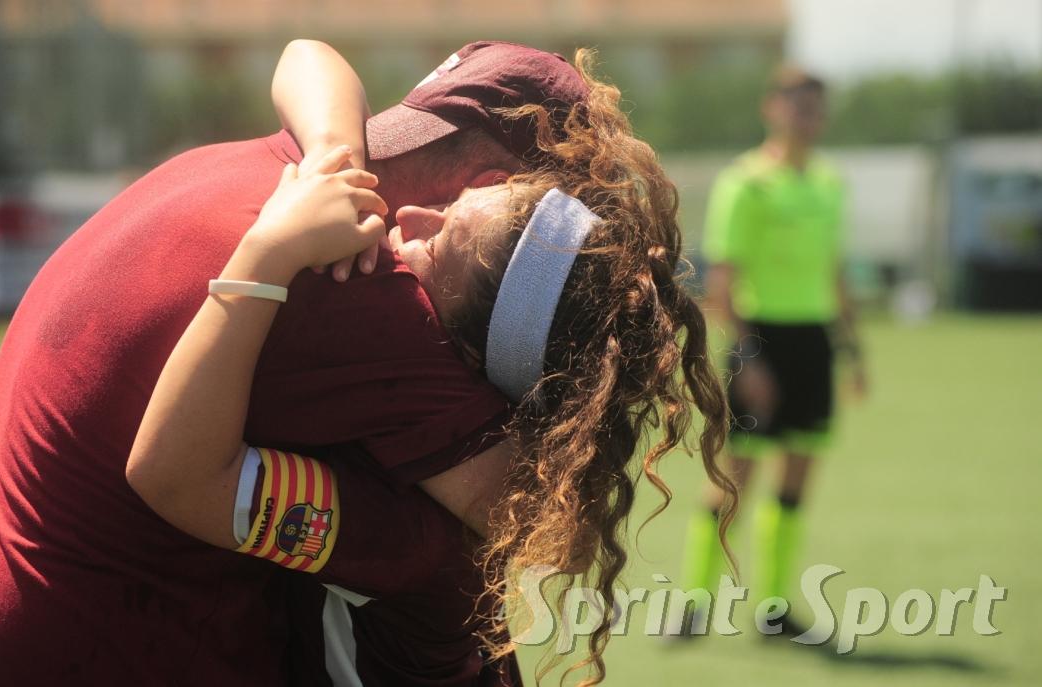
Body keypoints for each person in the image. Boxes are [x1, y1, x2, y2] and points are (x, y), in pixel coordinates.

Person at [0, 40, 594, 686]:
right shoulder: (362, 290)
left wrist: (327, 151)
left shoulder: (279, 164)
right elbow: (528, 506)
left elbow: (304, 51)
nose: (403, 229)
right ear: (501, 186)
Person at [127, 49, 740, 685]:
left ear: (468, 355)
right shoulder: (445, 454)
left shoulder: (406, 538)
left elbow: (180, 477)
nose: (406, 218)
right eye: (452, 203)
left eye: (437, 239)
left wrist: (265, 255)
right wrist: (337, 164)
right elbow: (306, 53)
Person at [679, 65, 866, 637]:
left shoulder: (830, 183)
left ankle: (775, 609)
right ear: (773, 109)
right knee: (735, 478)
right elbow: (722, 285)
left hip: (813, 342)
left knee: (797, 477)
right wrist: (749, 358)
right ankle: (693, 604)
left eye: (815, 107)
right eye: (797, 105)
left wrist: (853, 351)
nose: (807, 117)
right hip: (759, 340)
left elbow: (834, 273)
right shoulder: (746, 183)